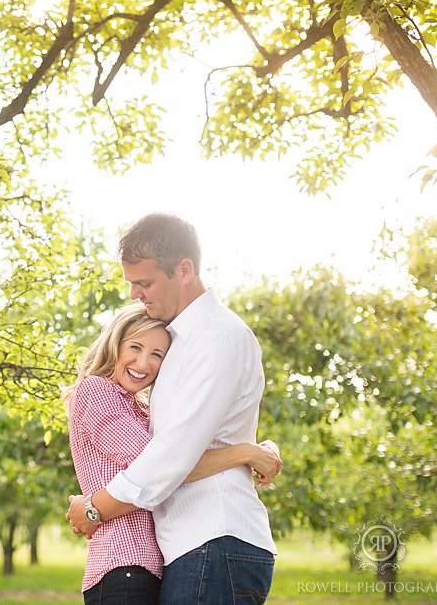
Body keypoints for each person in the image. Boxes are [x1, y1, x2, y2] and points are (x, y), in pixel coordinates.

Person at [66, 212, 279, 605]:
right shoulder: (183, 339)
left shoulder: (216, 337)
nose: (134, 294)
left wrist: (95, 509)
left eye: (143, 283)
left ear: (184, 270)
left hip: (213, 538)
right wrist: (250, 449)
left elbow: (170, 458)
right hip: (192, 544)